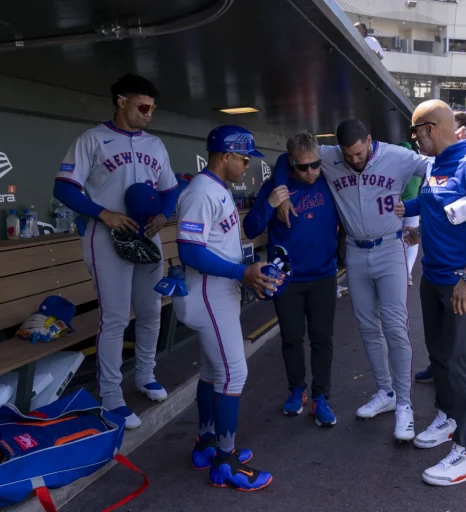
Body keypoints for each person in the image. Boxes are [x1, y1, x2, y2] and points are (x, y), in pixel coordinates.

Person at [274, 119, 430, 441]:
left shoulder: (398, 156)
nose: (354, 160)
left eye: (359, 153)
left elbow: (437, 172)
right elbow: (284, 157)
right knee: (368, 328)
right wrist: (283, 192)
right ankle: (384, 392)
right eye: (348, 155)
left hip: (390, 247)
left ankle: (404, 405)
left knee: (395, 326)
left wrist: (422, 220)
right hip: (356, 253)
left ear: (370, 140)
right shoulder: (330, 156)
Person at [53, 73, 179, 429]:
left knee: (152, 309)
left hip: (147, 235)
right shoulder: (92, 140)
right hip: (107, 236)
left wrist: (165, 215)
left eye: (153, 108)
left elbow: (170, 189)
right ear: (122, 102)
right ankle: (110, 396)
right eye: (143, 106)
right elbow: (64, 188)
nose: (149, 113)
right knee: (115, 318)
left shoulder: (155, 144)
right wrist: (102, 213)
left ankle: (145, 375)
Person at [402, 99, 466, 486]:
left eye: (415, 131)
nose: (414, 139)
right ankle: (447, 417)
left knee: (460, 361)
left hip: (465, 281)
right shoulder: (434, 166)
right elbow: (443, 211)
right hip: (435, 276)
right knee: (440, 353)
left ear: (431, 128)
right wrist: (416, 227)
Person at [175, 125, 277, 491]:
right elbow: (190, 249)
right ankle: (225, 461)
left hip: (217, 290)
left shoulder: (217, 188)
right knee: (234, 374)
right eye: (245, 157)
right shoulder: (202, 190)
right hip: (208, 293)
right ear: (226, 156)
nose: (247, 165)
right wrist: (241, 272)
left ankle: (206, 444)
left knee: (212, 371)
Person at [243, 132, 339, 427]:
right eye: (303, 167)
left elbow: (285, 160)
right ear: (292, 165)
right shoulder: (277, 187)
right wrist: (272, 201)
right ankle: (297, 391)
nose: (310, 172)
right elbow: (250, 228)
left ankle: (321, 397)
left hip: (323, 275)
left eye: (315, 165)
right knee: (291, 339)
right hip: (287, 279)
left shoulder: (328, 179)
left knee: (322, 339)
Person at [397, 142, 423, 287]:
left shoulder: (394, 168)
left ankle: (399, 273)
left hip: (396, 209)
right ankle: (407, 274)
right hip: (412, 209)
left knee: (397, 240)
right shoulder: (417, 168)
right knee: (412, 243)